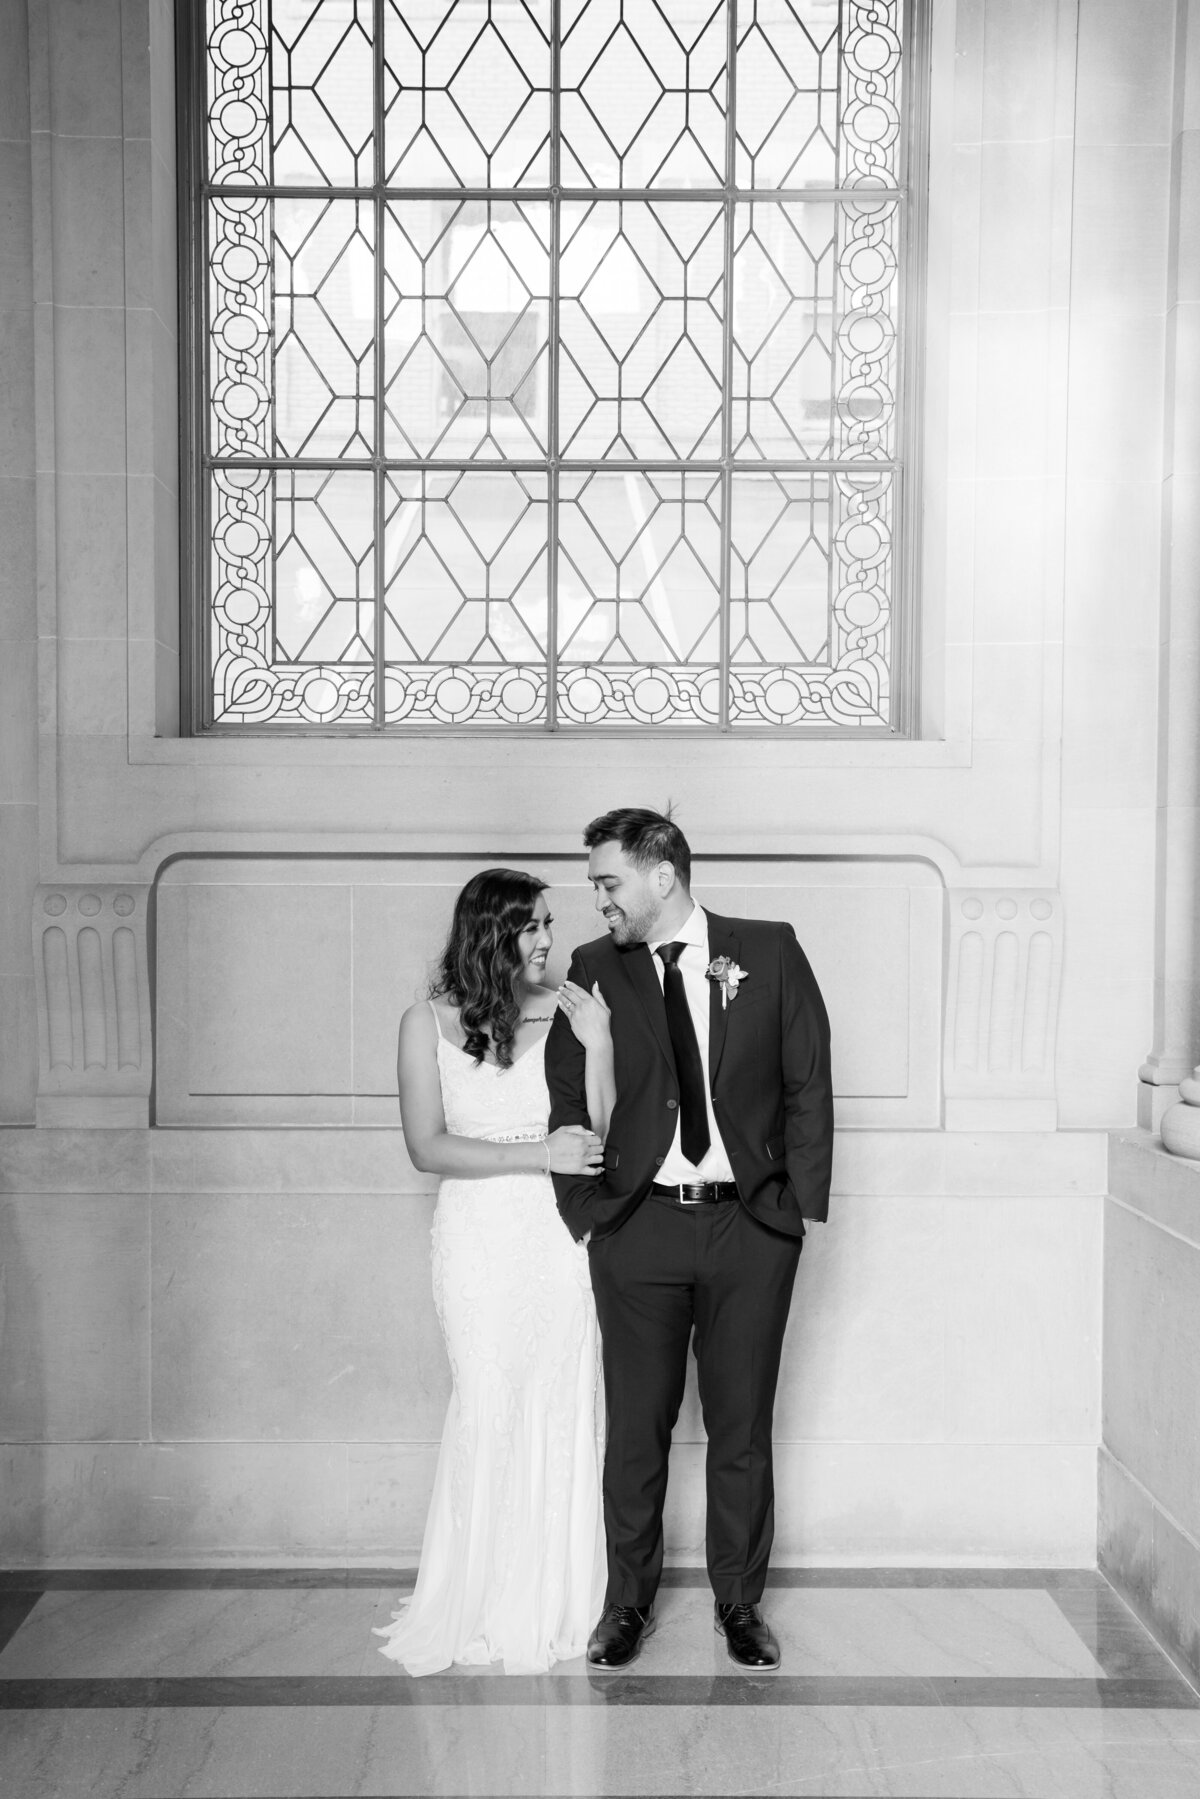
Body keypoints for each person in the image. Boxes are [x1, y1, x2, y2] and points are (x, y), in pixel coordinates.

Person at [546, 809, 834, 1672]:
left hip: (749, 1228)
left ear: (661, 873)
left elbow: (807, 1082)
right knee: (636, 1427)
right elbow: (569, 1097)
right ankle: (624, 1606)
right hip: (639, 1230)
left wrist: (790, 1213)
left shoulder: (770, 949)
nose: (597, 899)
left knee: (742, 1425)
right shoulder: (596, 969)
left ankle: (739, 1604)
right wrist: (589, 1211)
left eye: (608, 882)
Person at [377, 868, 613, 1675]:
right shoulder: (424, 1023)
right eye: (534, 926)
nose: (550, 938)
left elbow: (604, 1132)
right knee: (489, 1400)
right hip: (477, 1237)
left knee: (560, 1400)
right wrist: (535, 1153)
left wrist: (604, 1043)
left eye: (551, 922)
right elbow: (426, 1146)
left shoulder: (569, 1013)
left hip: (557, 1239)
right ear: (493, 934)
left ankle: (557, 1604)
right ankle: (477, 1601)